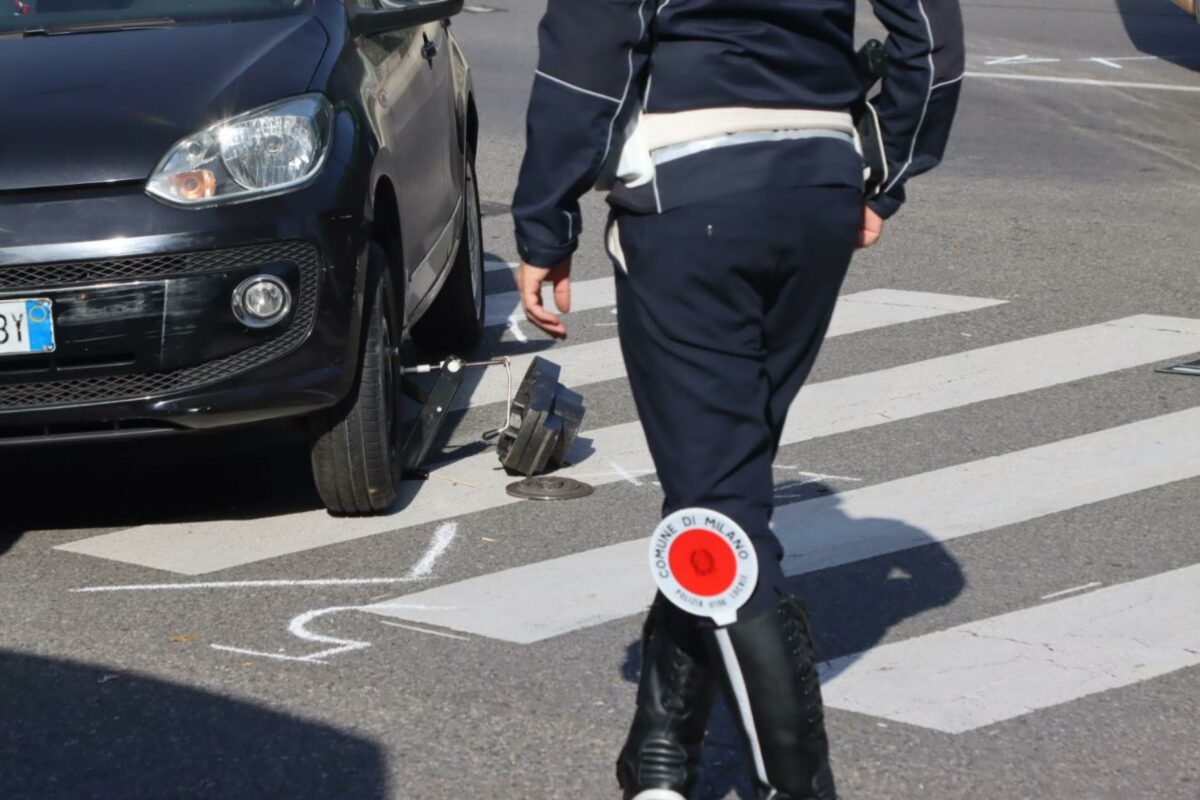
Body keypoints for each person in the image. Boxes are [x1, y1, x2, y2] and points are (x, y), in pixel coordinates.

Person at [512, 0, 964, 796]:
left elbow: (586, 58)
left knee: (719, 504)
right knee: (721, 482)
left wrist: (544, 224)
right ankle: (659, 752)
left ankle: (798, 784)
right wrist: (883, 171)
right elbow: (932, 40)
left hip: (691, 186)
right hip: (815, 181)